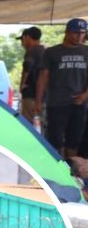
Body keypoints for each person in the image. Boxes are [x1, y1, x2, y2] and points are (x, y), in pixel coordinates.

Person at [34, 18, 88, 160]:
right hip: (57, 103)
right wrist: (38, 101)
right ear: (67, 32)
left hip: (80, 104)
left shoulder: (86, 52)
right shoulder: (52, 52)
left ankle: (72, 168)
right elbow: (43, 77)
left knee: (75, 140)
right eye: (76, 33)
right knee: (55, 140)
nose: (79, 36)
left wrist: (85, 95)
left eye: (83, 33)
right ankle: (58, 166)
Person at [17, 26, 45, 126]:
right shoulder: (44, 51)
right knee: (42, 123)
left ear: (28, 37)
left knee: (28, 124)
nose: (22, 43)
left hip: (31, 94)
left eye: (23, 39)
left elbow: (28, 66)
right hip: (44, 96)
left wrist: (22, 84)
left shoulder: (32, 51)